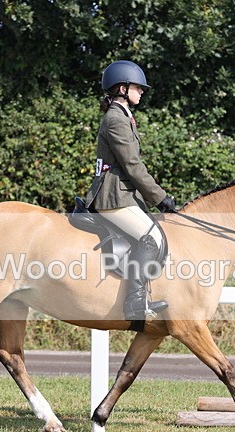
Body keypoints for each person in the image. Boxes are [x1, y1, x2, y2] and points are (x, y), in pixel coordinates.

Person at [83, 60, 177, 321]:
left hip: (123, 194)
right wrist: (160, 198)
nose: (142, 91)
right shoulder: (116, 120)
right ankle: (135, 301)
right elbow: (132, 166)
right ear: (122, 88)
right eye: (138, 86)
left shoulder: (123, 117)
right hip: (113, 196)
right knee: (151, 237)